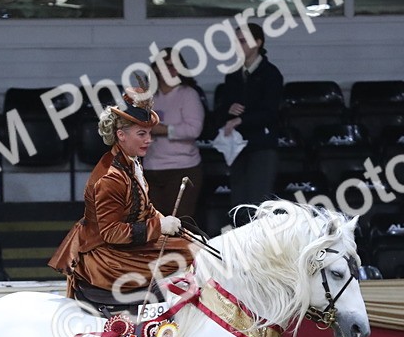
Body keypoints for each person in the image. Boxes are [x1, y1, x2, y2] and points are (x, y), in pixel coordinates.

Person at [48, 89, 194, 312]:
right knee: (189, 256)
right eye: (141, 134)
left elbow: (142, 207)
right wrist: (159, 226)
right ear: (121, 135)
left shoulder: (131, 162)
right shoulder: (111, 177)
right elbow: (112, 233)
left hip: (123, 246)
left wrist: (164, 221)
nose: (149, 140)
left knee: (192, 245)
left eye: (149, 133)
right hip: (106, 257)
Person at [216, 22, 283, 223]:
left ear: (258, 43)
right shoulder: (233, 74)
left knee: (258, 202)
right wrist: (229, 110)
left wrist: (241, 120)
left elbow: (271, 111)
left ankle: (259, 250)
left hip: (261, 144)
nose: (238, 45)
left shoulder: (270, 73)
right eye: (236, 41)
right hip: (237, 147)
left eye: (243, 41)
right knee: (238, 202)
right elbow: (220, 110)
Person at [145, 48, 206, 224]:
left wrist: (163, 130)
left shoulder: (188, 94)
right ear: (156, 69)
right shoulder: (148, 96)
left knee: (179, 224)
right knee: (154, 225)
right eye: (167, 65)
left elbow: (194, 130)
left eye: (175, 66)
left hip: (181, 168)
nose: (171, 70)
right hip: (151, 167)